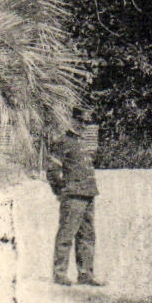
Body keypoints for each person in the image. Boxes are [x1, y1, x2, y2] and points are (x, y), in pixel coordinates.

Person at [47, 107, 103, 286]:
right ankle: (59, 273)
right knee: (67, 233)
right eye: (80, 122)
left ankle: (85, 274)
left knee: (87, 235)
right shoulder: (64, 141)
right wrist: (60, 190)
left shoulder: (82, 143)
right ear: (72, 121)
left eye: (85, 123)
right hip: (72, 194)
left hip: (87, 193)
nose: (83, 125)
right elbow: (53, 170)